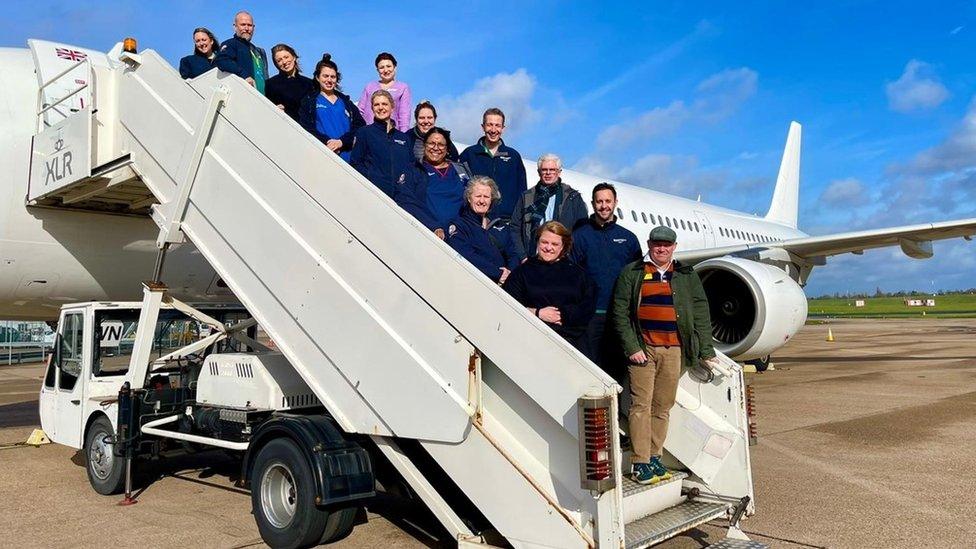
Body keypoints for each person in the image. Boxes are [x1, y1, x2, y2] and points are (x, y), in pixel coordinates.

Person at [609, 225, 720, 485]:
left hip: (674, 350)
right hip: (643, 350)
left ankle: (655, 455)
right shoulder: (633, 272)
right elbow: (620, 312)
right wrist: (632, 347)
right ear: (649, 245)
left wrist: (706, 349)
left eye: (667, 244)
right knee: (640, 406)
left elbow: (701, 310)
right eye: (657, 244)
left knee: (662, 407)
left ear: (674, 247)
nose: (661, 248)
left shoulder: (685, 274)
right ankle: (640, 461)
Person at [569, 182, 643, 369]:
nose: (604, 206)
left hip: (619, 317)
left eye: (608, 201)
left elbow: (638, 278)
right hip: (590, 316)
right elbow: (571, 274)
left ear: (615, 202)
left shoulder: (628, 238)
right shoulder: (579, 236)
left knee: (617, 369)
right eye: (599, 201)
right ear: (593, 204)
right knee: (588, 368)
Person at [503, 221, 596, 352]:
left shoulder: (578, 274)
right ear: (537, 242)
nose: (548, 248)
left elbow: (587, 306)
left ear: (563, 246)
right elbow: (507, 304)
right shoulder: (522, 272)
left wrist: (563, 315)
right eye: (544, 242)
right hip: (531, 342)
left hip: (571, 344)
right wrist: (537, 313)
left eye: (555, 244)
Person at [509, 153, 588, 261]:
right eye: (544, 170)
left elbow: (582, 231)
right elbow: (515, 227)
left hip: (562, 260)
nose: (548, 173)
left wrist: (569, 257)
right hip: (533, 259)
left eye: (552, 170)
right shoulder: (526, 197)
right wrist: (522, 256)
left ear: (559, 172)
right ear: (538, 172)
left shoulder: (573, 197)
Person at [395, 127, 472, 235]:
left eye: (441, 144)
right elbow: (406, 200)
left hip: (459, 234)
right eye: (431, 143)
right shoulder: (413, 170)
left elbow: (472, 201)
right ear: (424, 145)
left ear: (447, 149)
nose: (436, 148)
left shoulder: (460, 171)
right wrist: (433, 226)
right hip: (427, 234)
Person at [446, 177, 519, 284]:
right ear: (469, 198)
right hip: (475, 283)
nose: (482, 201)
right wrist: (497, 273)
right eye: (478, 196)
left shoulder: (499, 225)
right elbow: (465, 255)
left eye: (486, 197)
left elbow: (513, 253)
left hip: (505, 284)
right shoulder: (459, 225)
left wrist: (510, 273)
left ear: (491, 200)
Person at [458, 108, 527, 221]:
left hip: (506, 222)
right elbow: (460, 187)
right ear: (483, 127)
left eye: (497, 125)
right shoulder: (469, 154)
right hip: (475, 220)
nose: (493, 130)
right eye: (490, 125)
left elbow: (522, 191)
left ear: (503, 128)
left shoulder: (513, 157)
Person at [298, 54, 365, 162]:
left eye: (332, 77)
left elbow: (360, 126)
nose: (329, 80)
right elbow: (307, 127)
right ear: (317, 77)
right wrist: (327, 143)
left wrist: (341, 142)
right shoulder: (309, 101)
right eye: (325, 76)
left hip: (349, 157)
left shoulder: (346, 102)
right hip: (323, 155)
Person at [349, 89, 413, 197]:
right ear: (372, 108)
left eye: (384, 104)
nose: (380, 107)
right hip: (374, 194)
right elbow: (355, 164)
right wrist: (373, 179)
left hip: (401, 197)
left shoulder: (404, 138)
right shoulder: (364, 133)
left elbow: (411, 166)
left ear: (392, 107)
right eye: (376, 104)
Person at [215, 11, 269, 95]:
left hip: (263, 99)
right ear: (235, 27)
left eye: (249, 25)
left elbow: (265, 77)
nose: (247, 28)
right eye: (243, 25)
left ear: (253, 27)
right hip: (244, 97)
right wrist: (244, 75)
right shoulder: (230, 44)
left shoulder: (259, 51)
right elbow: (221, 60)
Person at [356, 52, 412, 131]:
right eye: (382, 67)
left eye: (388, 66)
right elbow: (359, 111)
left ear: (395, 67)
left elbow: (404, 116)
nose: (386, 70)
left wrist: (403, 137)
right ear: (377, 70)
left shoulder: (403, 88)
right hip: (369, 133)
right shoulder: (369, 87)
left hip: (391, 134)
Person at [266, 44, 315, 121]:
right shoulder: (270, 84)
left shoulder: (309, 84)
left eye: (286, 57)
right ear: (276, 65)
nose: (284, 62)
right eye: (279, 60)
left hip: (307, 130)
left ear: (294, 57)